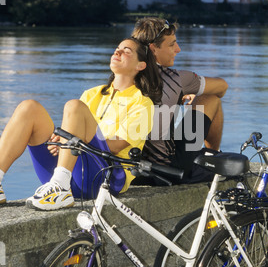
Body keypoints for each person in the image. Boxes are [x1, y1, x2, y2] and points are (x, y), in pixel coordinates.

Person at [0, 37, 162, 209]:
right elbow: (75, 130)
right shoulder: (92, 93)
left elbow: (117, 146)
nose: (117, 51)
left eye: (126, 51)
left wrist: (71, 143)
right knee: (29, 108)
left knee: (74, 106)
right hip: (73, 171)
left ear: (140, 65)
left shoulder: (143, 103)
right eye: (117, 48)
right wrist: (62, 141)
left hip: (103, 177)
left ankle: (61, 188)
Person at [131, 18, 228, 184]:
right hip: (167, 170)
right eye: (171, 45)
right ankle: (212, 155)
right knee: (209, 99)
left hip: (133, 170)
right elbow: (222, 87)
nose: (178, 49)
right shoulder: (177, 79)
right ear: (154, 49)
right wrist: (189, 90)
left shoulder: (124, 77)